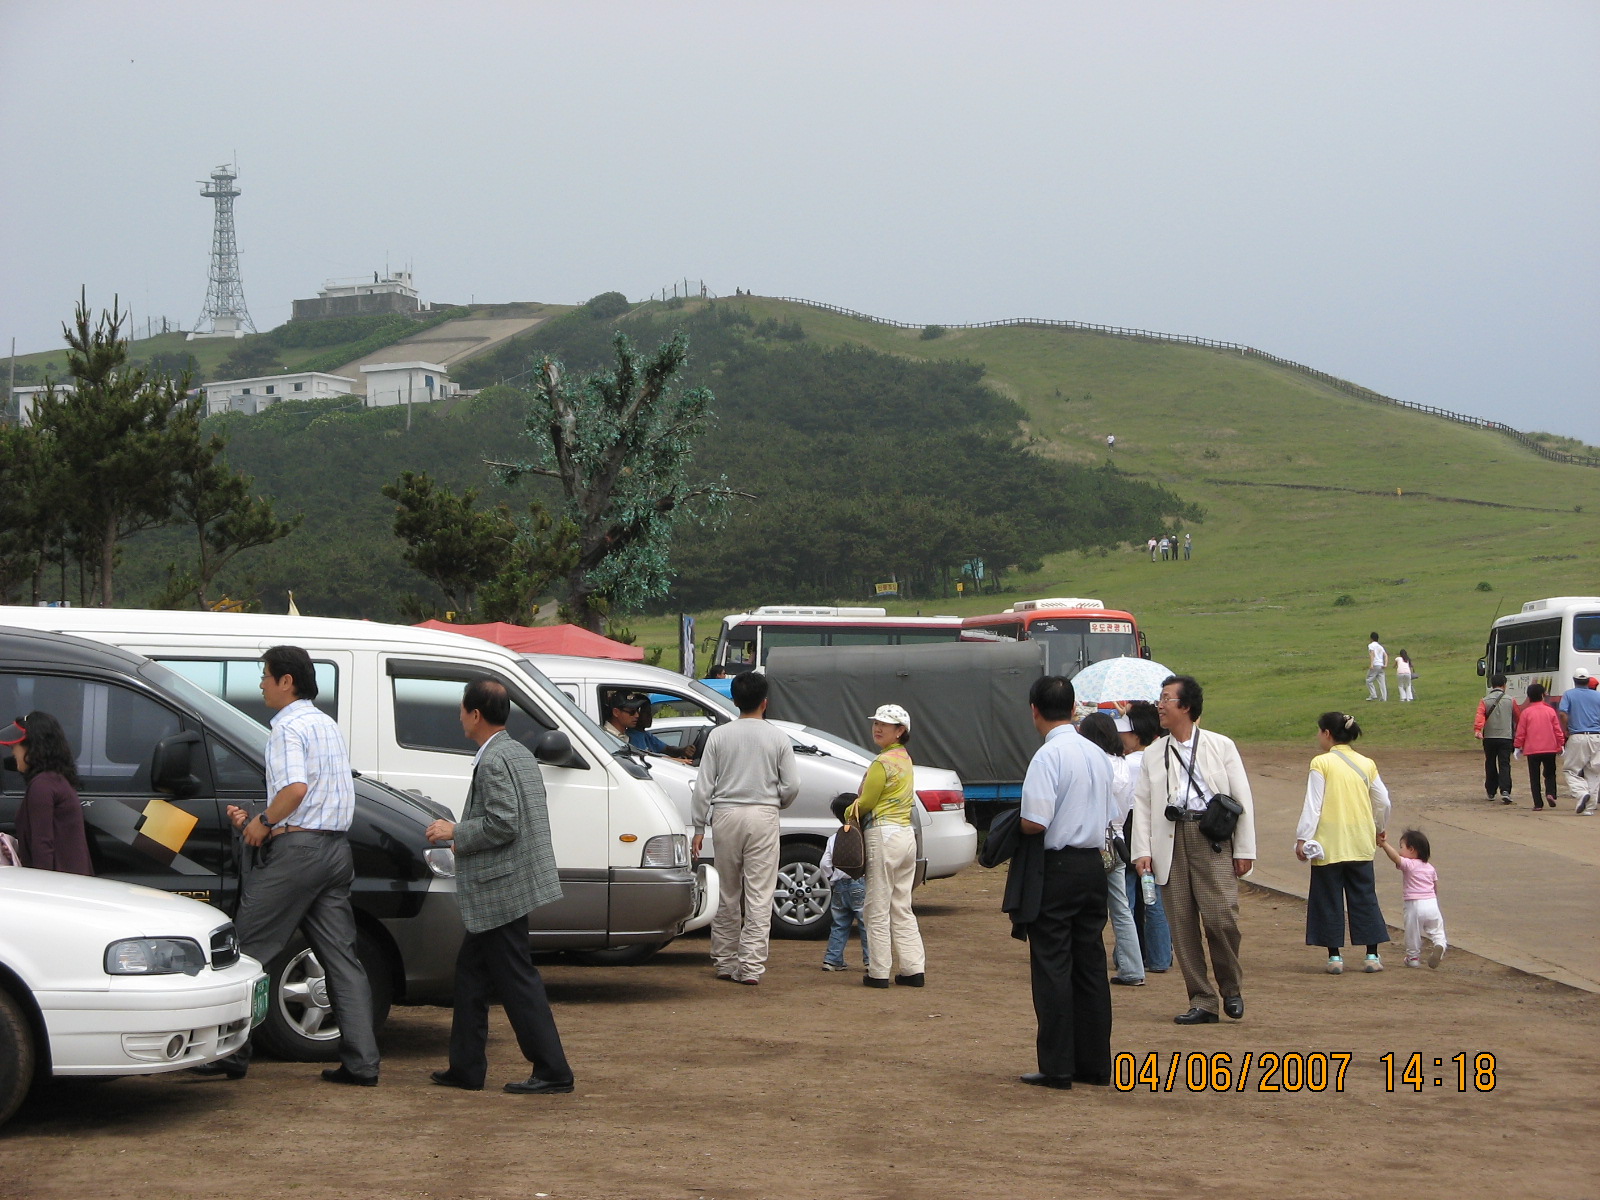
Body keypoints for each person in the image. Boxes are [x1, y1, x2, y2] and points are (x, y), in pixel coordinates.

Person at [191, 645, 380, 1085]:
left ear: (286, 681)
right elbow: (314, 799)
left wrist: (262, 821)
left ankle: (232, 1054)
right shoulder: (325, 725)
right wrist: (267, 822)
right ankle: (362, 1062)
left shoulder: (285, 729)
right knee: (341, 958)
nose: (260, 684)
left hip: (298, 856)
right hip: (334, 851)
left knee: (245, 953)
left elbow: (295, 790)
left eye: (265, 675)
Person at [426, 679, 574, 1095]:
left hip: (500, 887)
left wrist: (455, 831)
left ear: (474, 714)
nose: (459, 716)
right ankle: (466, 1067)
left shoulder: (493, 760)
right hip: (511, 882)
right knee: (472, 975)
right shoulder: (517, 751)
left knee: (515, 978)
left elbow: (503, 823)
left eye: (461, 710)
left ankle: (553, 1069)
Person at [1131, 674, 1256, 1025]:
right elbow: (1142, 804)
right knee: (1182, 925)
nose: (1160, 705)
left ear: (1185, 706)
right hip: (1170, 838)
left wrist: (1244, 848)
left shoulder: (1220, 746)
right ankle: (1202, 999)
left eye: (1167, 698)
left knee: (1221, 918)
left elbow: (1242, 797)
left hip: (1212, 836)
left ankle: (1230, 986)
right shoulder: (1154, 752)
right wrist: (1143, 850)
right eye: (1160, 698)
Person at [1014, 676, 1118, 1089]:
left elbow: (1034, 821)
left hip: (1057, 867)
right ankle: (1094, 1064)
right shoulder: (1096, 753)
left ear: (1034, 710)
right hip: (1093, 866)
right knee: (1090, 965)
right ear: (1074, 709)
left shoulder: (1047, 757)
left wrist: (1013, 826)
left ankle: (1057, 1065)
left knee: (1053, 966)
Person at [691, 671, 799, 984]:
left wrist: (699, 827)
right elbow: (792, 785)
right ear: (765, 703)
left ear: (735, 701)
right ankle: (751, 966)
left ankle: (724, 961)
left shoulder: (719, 736)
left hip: (725, 814)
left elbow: (703, 787)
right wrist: (777, 801)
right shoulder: (777, 736)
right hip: (763, 814)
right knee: (760, 894)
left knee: (727, 891)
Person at [1295, 713, 1391, 975]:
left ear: (1327, 733)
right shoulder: (1367, 763)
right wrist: (1379, 829)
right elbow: (1383, 801)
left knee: (1328, 898)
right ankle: (1372, 954)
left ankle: (1335, 957)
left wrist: (1303, 838)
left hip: (1329, 842)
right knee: (1364, 897)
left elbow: (1313, 805)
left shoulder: (1321, 762)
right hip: (1360, 840)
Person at [846, 703, 926, 988]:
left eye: (886, 724)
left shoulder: (882, 763)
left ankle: (878, 972)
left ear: (900, 731)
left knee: (876, 906)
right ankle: (913, 969)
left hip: (883, 834)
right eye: (876, 722)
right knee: (902, 905)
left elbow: (866, 803)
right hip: (906, 835)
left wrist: (848, 812)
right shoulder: (905, 759)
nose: (878, 728)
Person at [1077, 712, 1142, 987]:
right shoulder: (1124, 764)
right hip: (1117, 840)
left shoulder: (1094, 763)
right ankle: (1133, 967)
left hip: (1095, 842)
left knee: (1082, 907)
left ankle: (1081, 961)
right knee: (1121, 908)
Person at [1116, 702, 1171, 973]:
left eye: (1124, 732)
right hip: (1158, 831)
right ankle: (1160, 956)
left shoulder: (1129, 763)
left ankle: (1126, 955)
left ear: (1136, 735)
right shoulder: (1164, 757)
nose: (1120, 737)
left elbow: (1122, 802)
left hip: (1131, 830)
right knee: (1154, 896)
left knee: (1126, 899)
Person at [2, 713, 92, 874]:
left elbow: (42, 845)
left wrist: (41, 888)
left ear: (32, 748)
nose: (13, 753)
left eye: (15, 747)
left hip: (60, 887)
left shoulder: (41, 786)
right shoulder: (55, 780)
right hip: (72, 883)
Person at [1377, 829, 1447, 968]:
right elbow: (1435, 887)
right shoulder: (1430, 868)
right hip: (1432, 903)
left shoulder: (1410, 865)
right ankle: (1440, 944)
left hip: (1414, 905)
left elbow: (1396, 858)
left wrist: (1384, 845)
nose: (1399, 850)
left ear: (1412, 850)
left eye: (1402, 847)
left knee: (1412, 932)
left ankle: (1413, 957)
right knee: (1437, 930)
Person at [818, 794, 868, 973]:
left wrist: (831, 878)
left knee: (839, 924)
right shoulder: (863, 835)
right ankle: (870, 960)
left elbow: (825, 863)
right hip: (860, 883)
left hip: (839, 886)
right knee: (866, 924)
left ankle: (832, 959)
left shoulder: (835, 837)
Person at [1514, 684, 1565, 811]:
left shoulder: (1526, 712)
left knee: (1534, 776)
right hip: (1549, 747)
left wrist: (1517, 746)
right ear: (1542, 695)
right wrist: (1561, 743)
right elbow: (1557, 730)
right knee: (1550, 773)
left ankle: (1538, 803)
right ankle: (1551, 793)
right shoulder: (1550, 711)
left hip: (1532, 749)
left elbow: (1521, 732)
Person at [603, 692, 693, 760]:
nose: (637, 715)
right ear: (616, 712)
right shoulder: (605, 737)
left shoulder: (625, 737)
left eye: (637, 711)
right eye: (632, 712)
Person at [1557, 670, 1600, 815]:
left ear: (1574, 680)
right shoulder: (1598, 695)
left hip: (1577, 736)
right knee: (1594, 772)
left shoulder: (1569, 694)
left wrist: (1566, 728)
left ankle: (1581, 793)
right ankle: (1589, 808)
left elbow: (1562, 713)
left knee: (1570, 770)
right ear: (1588, 681)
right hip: (1596, 737)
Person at [1474, 672, 1517, 804]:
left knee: (1490, 763)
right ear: (1504, 685)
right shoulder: (1511, 700)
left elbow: (1480, 716)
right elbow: (1518, 718)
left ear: (1492, 685)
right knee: (1504, 763)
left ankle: (1491, 790)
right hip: (1506, 737)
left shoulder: (1484, 700)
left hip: (1490, 737)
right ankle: (1505, 790)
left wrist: (1478, 730)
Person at [1365, 633, 1388, 702]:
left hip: (1375, 664)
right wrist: (1385, 664)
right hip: (1381, 665)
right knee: (1382, 682)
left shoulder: (1371, 645)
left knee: (1368, 680)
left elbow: (1372, 654)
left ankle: (1373, 695)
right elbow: (1386, 655)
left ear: (1371, 638)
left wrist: (1371, 664)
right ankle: (1384, 698)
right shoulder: (1380, 647)